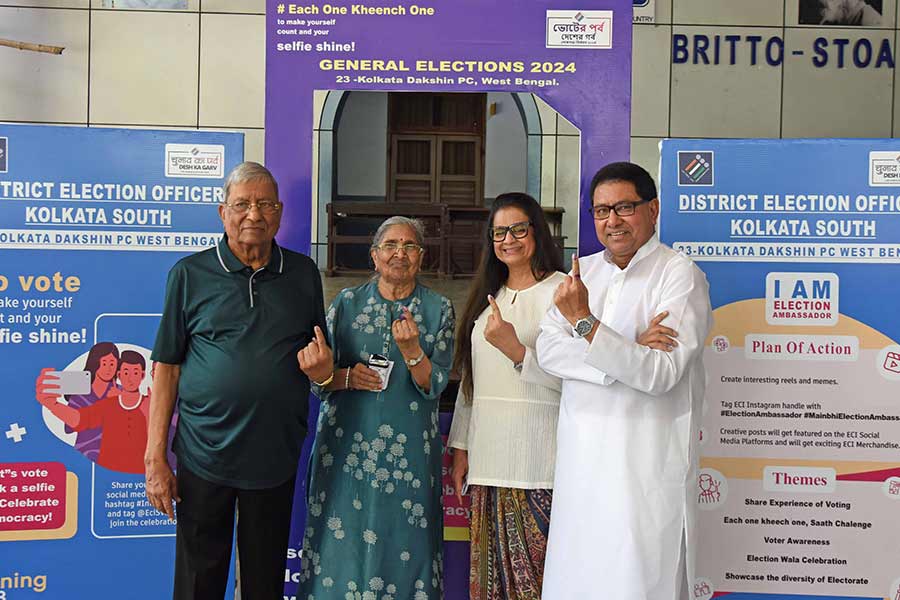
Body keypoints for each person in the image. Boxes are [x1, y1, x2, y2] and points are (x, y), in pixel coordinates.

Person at [145, 161, 333, 600]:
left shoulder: (303, 274)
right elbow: (167, 367)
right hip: (204, 453)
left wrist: (324, 370)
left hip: (274, 455)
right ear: (222, 211)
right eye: (242, 204)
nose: (254, 214)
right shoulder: (189, 275)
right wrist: (155, 456)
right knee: (198, 580)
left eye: (265, 204)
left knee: (264, 581)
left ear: (280, 212)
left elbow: (319, 358)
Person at [536, 162, 712, 600]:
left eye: (624, 207)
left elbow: (660, 374)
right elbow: (547, 351)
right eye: (600, 211)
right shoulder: (584, 274)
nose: (611, 221)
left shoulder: (679, 274)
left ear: (653, 209)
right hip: (582, 467)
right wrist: (625, 347)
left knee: (640, 583)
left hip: (644, 472)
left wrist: (585, 325)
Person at [297, 216, 455, 600]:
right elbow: (319, 382)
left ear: (421, 256)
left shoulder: (439, 309)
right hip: (347, 450)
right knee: (341, 542)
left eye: (409, 246)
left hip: (410, 457)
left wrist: (414, 352)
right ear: (374, 255)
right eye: (390, 245)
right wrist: (342, 377)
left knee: (406, 540)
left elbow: (434, 385)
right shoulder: (346, 304)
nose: (399, 254)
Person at [447, 192, 565, 599]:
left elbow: (578, 380)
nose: (508, 240)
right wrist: (461, 445)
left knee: (539, 584)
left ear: (537, 232)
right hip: (488, 461)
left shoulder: (562, 292)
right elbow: (471, 384)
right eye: (499, 232)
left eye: (518, 229)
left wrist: (516, 350)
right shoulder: (486, 297)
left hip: (540, 464)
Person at [36, 350, 149, 474]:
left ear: (142, 375)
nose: (130, 378)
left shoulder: (150, 403)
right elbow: (79, 419)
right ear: (119, 375)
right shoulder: (108, 404)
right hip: (106, 469)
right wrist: (53, 405)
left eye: (135, 372)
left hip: (142, 473)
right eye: (126, 372)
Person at [34, 341, 120, 461]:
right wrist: (52, 404)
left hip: (115, 454)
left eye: (112, 363)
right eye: (103, 363)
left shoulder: (122, 394)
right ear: (94, 363)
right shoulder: (80, 390)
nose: (108, 369)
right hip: (85, 454)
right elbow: (73, 424)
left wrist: (121, 403)